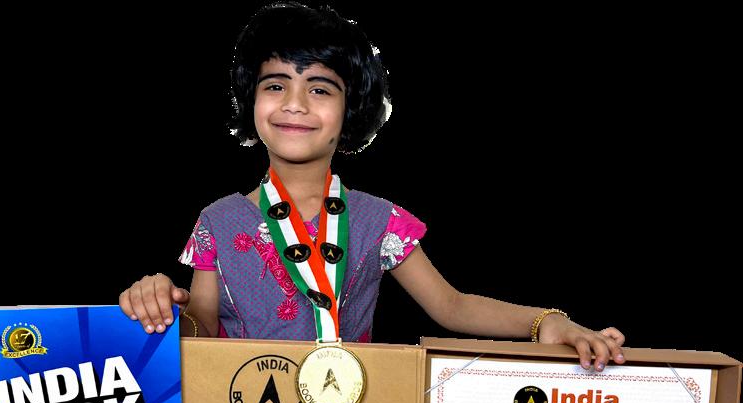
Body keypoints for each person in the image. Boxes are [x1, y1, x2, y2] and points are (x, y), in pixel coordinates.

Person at [118, 1, 626, 372]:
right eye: (275, 85)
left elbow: (452, 306)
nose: (295, 103)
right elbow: (201, 330)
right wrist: (160, 303)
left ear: (351, 110)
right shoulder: (217, 221)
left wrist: (547, 322)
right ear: (251, 101)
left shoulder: (380, 221)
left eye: (320, 89)